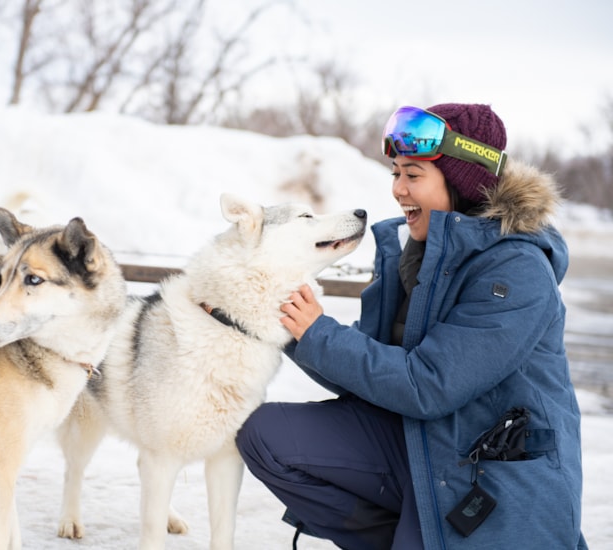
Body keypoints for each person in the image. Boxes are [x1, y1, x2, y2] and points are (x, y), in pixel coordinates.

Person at [235, 103, 586, 549]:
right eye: (395, 173)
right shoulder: (415, 253)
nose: (398, 190)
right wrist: (287, 323)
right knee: (266, 435)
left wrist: (317, 332)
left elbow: (429, 385)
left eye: (413, 175)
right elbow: (370, 370)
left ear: (462, 182)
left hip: (489, 472)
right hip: (416, 443)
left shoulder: (516, 269)